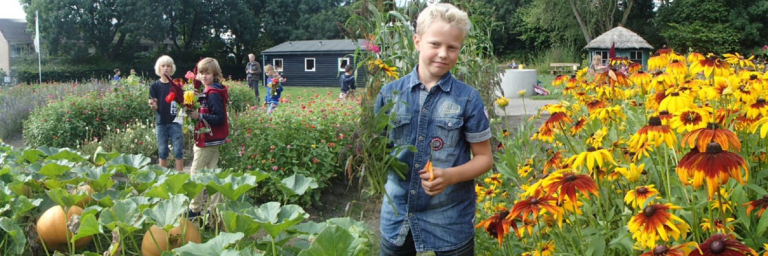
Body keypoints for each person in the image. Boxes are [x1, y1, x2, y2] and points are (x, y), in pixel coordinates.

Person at [373, 3, 492, 255]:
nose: (443, 54)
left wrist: (449, 176)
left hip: (450, 217)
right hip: (398, 213)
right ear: (417, 42)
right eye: (435, 44)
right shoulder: (389, 94)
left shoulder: (468, 99)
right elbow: (379, 151)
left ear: (460, 49)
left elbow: (484, 159)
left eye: (452, 48)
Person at [187, 57, 229, 217]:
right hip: (213, 139)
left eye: (208, 73)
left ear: (215, 74)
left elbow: (219, 118)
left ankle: (195, 209)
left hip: (208, 140)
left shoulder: (213, 93)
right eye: (201, 73)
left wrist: (199, 116)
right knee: (213, 176)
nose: (204, 76)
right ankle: (215, 213)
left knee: (195, 175)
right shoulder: (210, 90)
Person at [148, 55, 184, 172]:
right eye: (163, 66)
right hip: (161, 122)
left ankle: (180, 176)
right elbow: (154, 105)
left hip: (176, 122)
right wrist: (153, 105)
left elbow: (182, 103)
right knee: (162, 151)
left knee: (178, 150)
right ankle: (163, 177)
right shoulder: (154, 86)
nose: (166, 68)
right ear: (158, 68)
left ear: (172, 68)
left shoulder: (177, 85)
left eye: (168, 66)